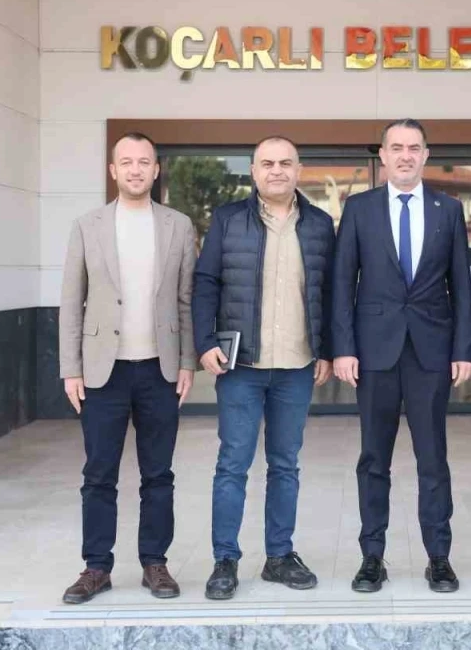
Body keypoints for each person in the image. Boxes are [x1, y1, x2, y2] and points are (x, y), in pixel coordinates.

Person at [330, 118, 471, 594]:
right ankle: (372, 557)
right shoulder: (359, 208)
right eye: (397, 147)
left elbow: (461, 285)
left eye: (414, 148)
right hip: (374, 351)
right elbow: (341, 284)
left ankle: (439, 557)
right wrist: (343, 348)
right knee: (374, 459)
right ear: (384, 155)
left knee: (433, 458)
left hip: (431, 352)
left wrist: (464, 349)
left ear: (426, 155)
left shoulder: (448, 210)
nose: (406, 155)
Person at [192, 137, 335, 600]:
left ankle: (279, 556)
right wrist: (204, 342)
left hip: (296, 365)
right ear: (253, 171)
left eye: (285, 163)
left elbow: (330, 292)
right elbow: (205, 282)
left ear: (299, 170)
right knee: (232, 464)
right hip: (242, 367)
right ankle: (225, 560)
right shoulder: (228, 219)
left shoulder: (319, 224)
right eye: (267, 163)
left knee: (285, 465)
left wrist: (328, 349)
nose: (277, 170)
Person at [58, 132, 197, 604]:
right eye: (126, 162)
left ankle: (155, 563)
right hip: (103, 372)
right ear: (113, 170)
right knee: (99, 474)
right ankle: (96, 567)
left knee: (159, 474)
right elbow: (71, 301)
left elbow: (185, 300)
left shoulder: (179, 226)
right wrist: (71, 368)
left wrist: (187, 362)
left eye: (144, 162)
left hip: (160, 369)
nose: (135, 169)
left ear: (156, 170)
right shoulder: (87, 226)